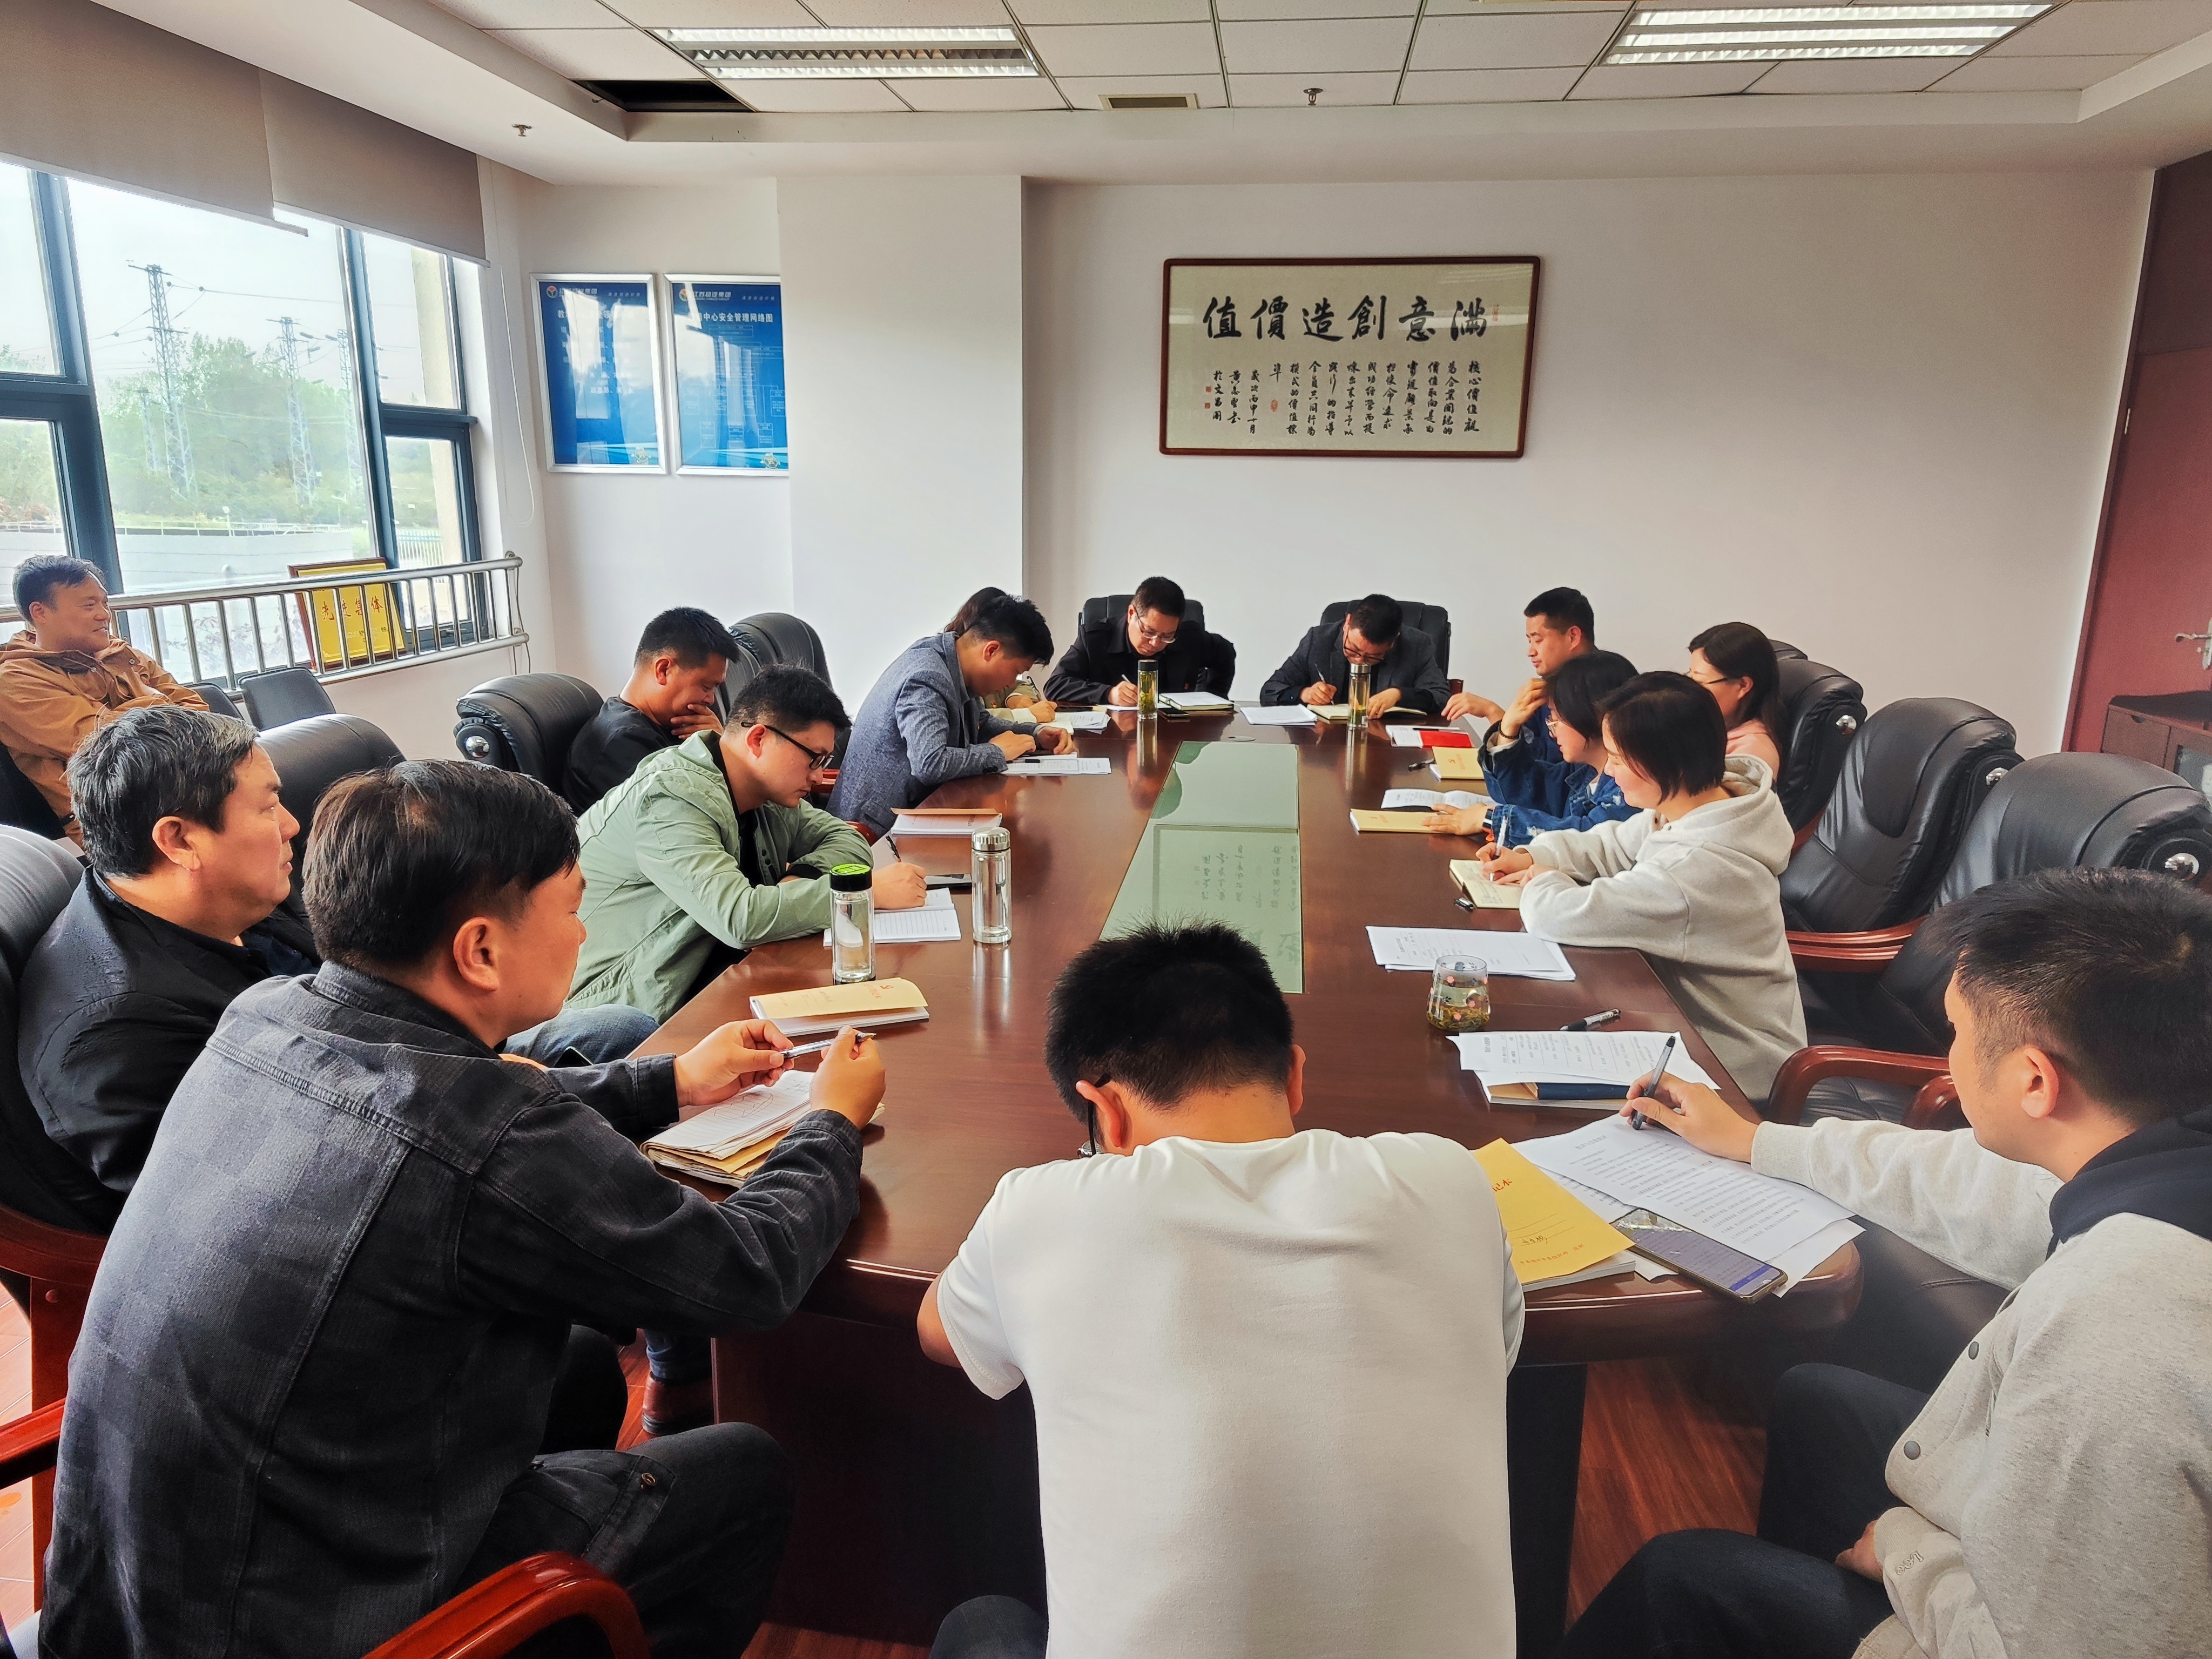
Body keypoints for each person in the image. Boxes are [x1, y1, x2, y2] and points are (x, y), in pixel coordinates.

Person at [40, 759, 889, 1659]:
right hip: (292, 1620)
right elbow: (747, 1274)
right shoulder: (487, 1132)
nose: (583, 930)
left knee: (575, 1364)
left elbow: (458, 1115)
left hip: (132, 1600)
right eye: (572, 907)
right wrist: (831, 1121)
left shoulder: (266, 1015)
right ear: (480, 950)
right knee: (743, 1475)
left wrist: (669, 1082)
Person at [1562, 867, 2212, 1659]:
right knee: (1820, 1402)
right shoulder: (2155, 1152)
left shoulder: (2120, 1326)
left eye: (1957, 1033)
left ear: (2034, 1080)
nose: (1949, 1059)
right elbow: (1971, 1182)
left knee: (1678, 1582)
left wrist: (1911, 1559)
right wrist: (1754, 1141)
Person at [916, 922, 1523, 1659]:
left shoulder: (1038, 1211)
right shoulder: (1452, 1180)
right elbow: (1495, 1349)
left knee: (981, 1626)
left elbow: (938, 1331)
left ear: (1105, 1112)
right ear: (1294, 1075)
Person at [12, 705, 659, 1236]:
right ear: (180, 840)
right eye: (267, 807)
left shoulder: (224, 897)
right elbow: (263, 1196)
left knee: (620, 1029)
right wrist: (484, 1079)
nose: (292, 825)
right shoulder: (117, 1034)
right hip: (361, 1173)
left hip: (399, 1060)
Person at [1482, 671, 1803, 1101]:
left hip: (1733, 1070)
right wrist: (1534, 854)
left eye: (1617, 758)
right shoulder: (1707, 803)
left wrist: (1545, 878)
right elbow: (1612, 845)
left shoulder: (1697, 866)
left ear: (1666, 765)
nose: (1609, 770)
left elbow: (1555, 915)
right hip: (1683, 1025)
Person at [571, 665, 925, 1022]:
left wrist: (801, 877)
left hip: (713, 978)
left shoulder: (764, 791)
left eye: (825, 762)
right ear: (758, 740)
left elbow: (847, 839)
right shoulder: (671, 796)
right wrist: (860, 893)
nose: (818, 776)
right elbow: (740, 919)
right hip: (621, 1012)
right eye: (813, 759)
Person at [830, 592, 1071, 836]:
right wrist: (997, 752)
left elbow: (981, 724)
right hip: (872, 832)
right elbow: (930, 763)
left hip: (919, 812)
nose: (1012, 683)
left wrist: (1037, 734)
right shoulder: (928, 676)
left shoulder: (955, 664)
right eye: (1017, 671)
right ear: (991, 651)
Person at [0, 554, 207, 838]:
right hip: (113, 820)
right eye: (89, 605)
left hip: (186, 788)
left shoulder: (120, 653)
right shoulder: (16, 680)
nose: (104, 615)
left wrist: (143, 710)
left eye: (104, 603)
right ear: (40, 612)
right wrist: (156, 700)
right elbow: (108, 743)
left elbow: (199, 712)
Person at [1422, 650, 1638, 845]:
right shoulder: (1585, 771)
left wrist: (1490, 819)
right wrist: (1508, 728)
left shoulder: (1630, 786)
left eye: (1556, 719)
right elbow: (1528, 791)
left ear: (1589, 715)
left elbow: (1588, 841)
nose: (1552, 731)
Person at [563, 606, 735, 813]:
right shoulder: (623, 742)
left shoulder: (672, 724)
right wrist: (721, 752)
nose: (711, 699)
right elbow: (693, 816)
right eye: (706, 687)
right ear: (663, 670)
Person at [1442, 588, 1596, 772]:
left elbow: (1542, 768)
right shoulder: (1552, 684)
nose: (1531, 652)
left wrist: (1494, 713)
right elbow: (1530, 750)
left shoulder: (1600, 690)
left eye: (1538, 640)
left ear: (1573, 637)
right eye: (1530, 641)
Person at [1042, 575, 1238, 707]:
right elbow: (1055, 685)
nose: (1155, 643)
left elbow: (1226, 654)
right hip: (1112, 740)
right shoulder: (1095, 640)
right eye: (1148, 632)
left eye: (1167, 636)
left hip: (1174, 736)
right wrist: (1108, 694)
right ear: (1131, 614)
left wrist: (1211, 699)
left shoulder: (1189, 638)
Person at [1257, 593, 1451, 717]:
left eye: (1373, 657)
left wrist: (1398, 695)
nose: (1359, 661)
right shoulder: (1318, 640)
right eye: (1353, 649)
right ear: (1347, 623)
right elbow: (1270, 690)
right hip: (1327, 746)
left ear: (1393, 642)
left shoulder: (1417, 645)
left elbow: (1441, 697)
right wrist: (1305, 694)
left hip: (1388, 746)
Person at [1687, 620, 1786, 775]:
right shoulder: (1711, 727)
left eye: (1700, 682)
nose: (1689, 689)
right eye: (1689, 676)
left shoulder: (1751, 756)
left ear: (1742, 686)